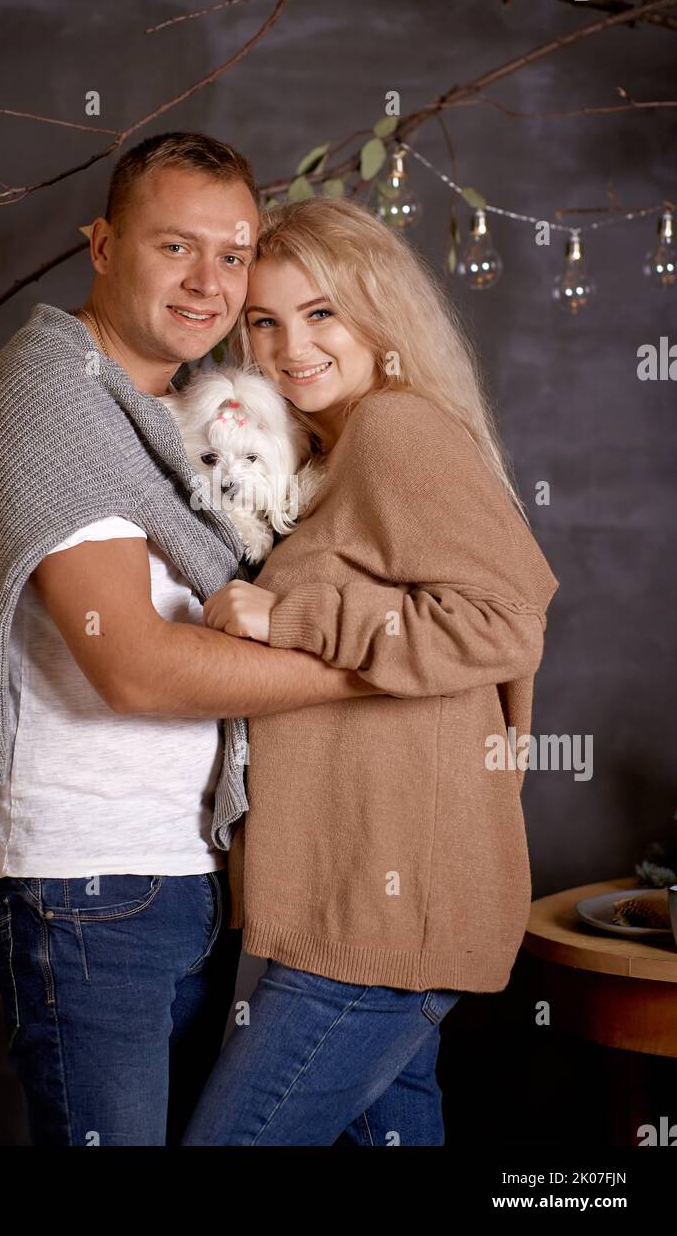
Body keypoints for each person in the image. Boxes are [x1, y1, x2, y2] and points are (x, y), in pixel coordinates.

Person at [0, 133, 380, 1147]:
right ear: (101, 244)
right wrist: (373, 671)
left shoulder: (168, 415)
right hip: (88, 880)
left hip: (181, 869)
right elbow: (131, 667)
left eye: (231, 253)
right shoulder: (49, 400)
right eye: (174, 246)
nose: (207, 283)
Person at [180, 196, 560, 1146]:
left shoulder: (395, 433)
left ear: (378, 317)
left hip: (386, 918)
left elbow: (505, 622)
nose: (288, 346)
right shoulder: (340, 451)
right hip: (369, 905)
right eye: (262, 321)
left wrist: (293, 614)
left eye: (321, 314)